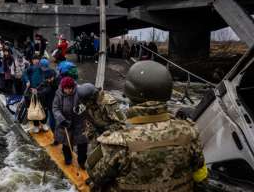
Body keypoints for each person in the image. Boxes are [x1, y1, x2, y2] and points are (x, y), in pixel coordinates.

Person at [86, 60, 207, 191]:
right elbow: (201, 176)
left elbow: (94, 175)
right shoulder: (189, 133)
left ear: (130, 93)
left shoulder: (117, 143)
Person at [52, 77, 88, 169]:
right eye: (67, 89)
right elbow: (55, 108)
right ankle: (68, 159)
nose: (69, 90)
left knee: (82, 143)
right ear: (63, 88)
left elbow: (86, 104)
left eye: (71, 88)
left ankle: (82, 161)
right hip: (65, 122)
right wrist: (62, 120)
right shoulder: (58, 94)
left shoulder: (80, 91)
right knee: (66, 142)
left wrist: (78, 110)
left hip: (79, 122)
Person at [77, 83, 126, 147]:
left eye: (87, 103)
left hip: (112, 134)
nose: (86, 105)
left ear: (91, 99)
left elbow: (122, 123)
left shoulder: (108, 103)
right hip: (97, 132)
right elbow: (88, 118)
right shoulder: (89, 103)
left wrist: (108, 131)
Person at [22, 55, 47, 133]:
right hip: (32, 91)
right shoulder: (30, 68)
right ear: (32, 61)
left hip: (42, 91)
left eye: (37, 59)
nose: (36, 61)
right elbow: (24, 74)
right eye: (34, 59)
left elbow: (46, 78)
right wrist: (27, 81)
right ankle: (36, 125)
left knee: (43, 107)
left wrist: (40, 88)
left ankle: (43, 123)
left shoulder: (43, 67)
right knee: (34, 107)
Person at [38, 69, 59, 140]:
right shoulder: (46, 82)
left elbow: (48, 90)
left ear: (53, 76)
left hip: (57, 105)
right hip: (49, 104)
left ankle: (57, 137)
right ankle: (55, 136)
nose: (49, 80)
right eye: (47, 79)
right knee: (52, 121)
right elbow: (41, 90)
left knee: (56, 121)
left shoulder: (57, 83)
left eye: (50, 78)